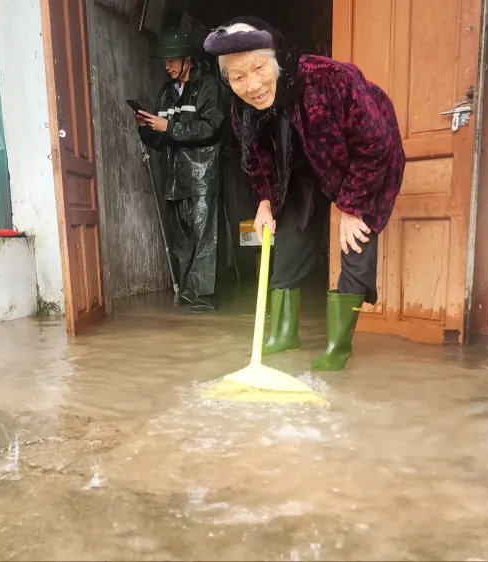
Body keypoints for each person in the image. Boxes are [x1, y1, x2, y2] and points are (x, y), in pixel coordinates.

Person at [204, 17, 406, 371]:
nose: (252, 86)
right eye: (238, 77)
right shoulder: (243, 111)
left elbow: (377, 141)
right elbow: (258, 158)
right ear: (228, 80)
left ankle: (337, 346)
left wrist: (353, 206)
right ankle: (284, 334)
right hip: (303, 169)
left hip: (360, 162)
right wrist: (265, 201)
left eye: (258, 67)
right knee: (289, 237)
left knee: (355, 241)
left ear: (275, 58)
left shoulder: (327, 79)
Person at [137, 27, 225, 313]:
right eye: (164, 60)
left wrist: (169, 127)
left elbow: (211, 128)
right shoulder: (166, 93)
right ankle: (189, 295)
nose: (167, 65)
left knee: (204, 239)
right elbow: (162, 139)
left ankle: (203, 299)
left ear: (188, 58)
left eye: (172, 59)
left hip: (201, 176)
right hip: (174, 178)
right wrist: (147, 129)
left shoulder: (208, 85)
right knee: (182, 242)